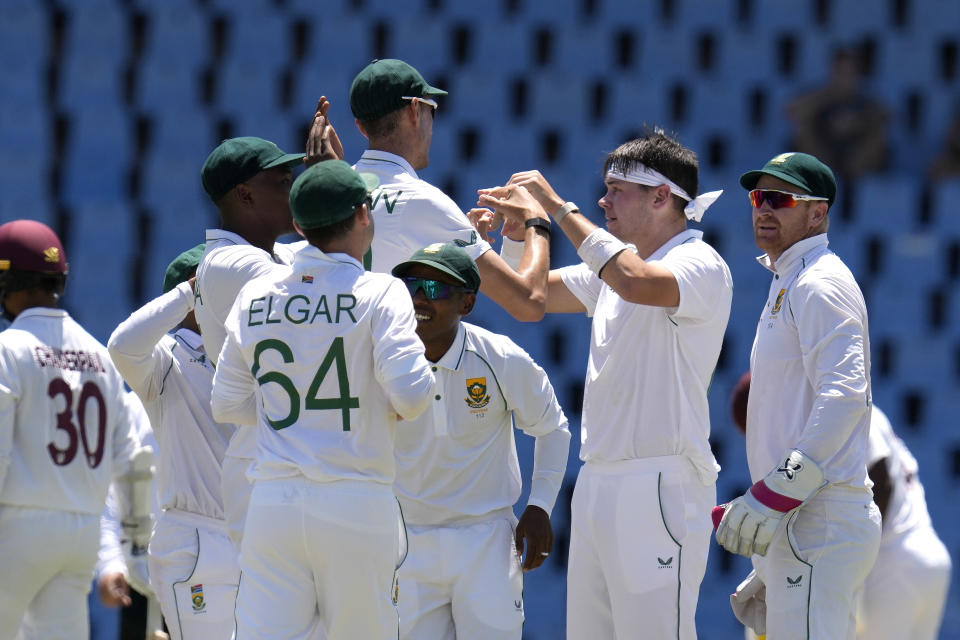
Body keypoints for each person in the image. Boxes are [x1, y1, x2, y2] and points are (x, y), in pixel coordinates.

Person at [478, 129, 732, 639]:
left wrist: (555, 207)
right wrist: (517, 230)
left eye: (617, 189)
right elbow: (524, 298)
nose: (602, 200)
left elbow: (636, 282)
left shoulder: (700, 264)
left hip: (660, 481)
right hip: (598, 481)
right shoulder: (612, 271)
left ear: (662, 197)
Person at [211, 160, 436, 639]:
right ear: (362, 216)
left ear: (298, 226)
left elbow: (227, 403)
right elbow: (413, 396)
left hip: (273, 501)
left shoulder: (255, 292)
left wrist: (292, 417)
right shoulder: (381, 291)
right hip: (356, 499)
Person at [713, 152, 881, 639]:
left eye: (780, 199)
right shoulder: (791, 278)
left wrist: (770, 497)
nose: (763, 209)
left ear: (818, 213)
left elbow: (847, 396)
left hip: (818, 521)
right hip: (802, 523)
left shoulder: (821, 283)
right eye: (757, 197)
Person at [389, 242, 571, 639]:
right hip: (405, 542)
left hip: (486, 540)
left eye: (436, 289)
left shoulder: (500, 357)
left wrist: (540, 506)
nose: (420, 298)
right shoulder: (381, 358)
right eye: (411, 286)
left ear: (467, 304)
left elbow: (552, 428)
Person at [195, 113, 337, 548]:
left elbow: (340, 264)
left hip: (286, 450)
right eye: (282, 181)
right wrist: (326, 195)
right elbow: (320, 301)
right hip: (263, 455)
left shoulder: (275, 257)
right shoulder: (229, 263)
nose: (295, 190)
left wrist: (337, 192)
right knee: (270, 613)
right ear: (244, 194)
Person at [0, 219, 146, 639]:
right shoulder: (99, 355)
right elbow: (129, 461)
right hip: (80, 533)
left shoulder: (10, 348)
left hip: (17, 526)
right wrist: (114, 557)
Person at [727, 374, 951, 640]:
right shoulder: (827, 415)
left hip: (893, 566)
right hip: (924, 557)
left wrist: (850, 564)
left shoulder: (841, 411)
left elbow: (880, 479)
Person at [349, 58, 550, 320]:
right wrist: (537, 221)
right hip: (387, 358)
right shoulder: (422, 201)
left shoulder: (331, 193)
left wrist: (468, 244)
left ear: (361, 127)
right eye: (431, 108)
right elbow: (529, 303)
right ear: (413, 110)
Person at [108, 245, 239, 639]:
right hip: (198, 539)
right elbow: (122, 345)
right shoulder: (166, 359)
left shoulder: (242, 351)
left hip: (255, 532)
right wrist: (189, 292)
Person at [96, 391, 166, 640]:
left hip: (206, 576)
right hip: (134, 578)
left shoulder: (218, 392)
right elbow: (107, 498)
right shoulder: (127, 408)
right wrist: (111, 563)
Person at [786, 46, 890, 181]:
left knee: (877, 131)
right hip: (823, 153)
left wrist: (855, 122)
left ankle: (852, 181)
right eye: (840, 72)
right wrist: (825, 100)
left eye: (849, 72)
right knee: (804, 124)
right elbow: (790, 111)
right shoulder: (818, 96)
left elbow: (887, 116)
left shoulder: (865, 101)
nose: (844, 77)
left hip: (855, 159)